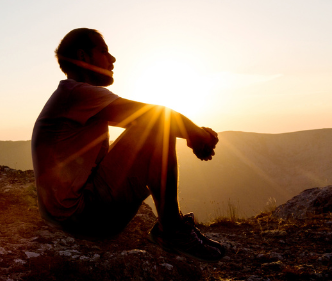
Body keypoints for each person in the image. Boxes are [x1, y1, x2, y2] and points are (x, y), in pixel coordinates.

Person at [31, 28, 225, 262]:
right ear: (83, 57)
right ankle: (172, 230)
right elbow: (157, 115)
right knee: (155, 128)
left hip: (63, 214)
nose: (112, 59)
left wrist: (194, 135)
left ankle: (171, 226)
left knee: (151, 128)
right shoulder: (77, 93)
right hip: (81, 217)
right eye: (103, 51)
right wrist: (198, 136)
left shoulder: (72, 95)